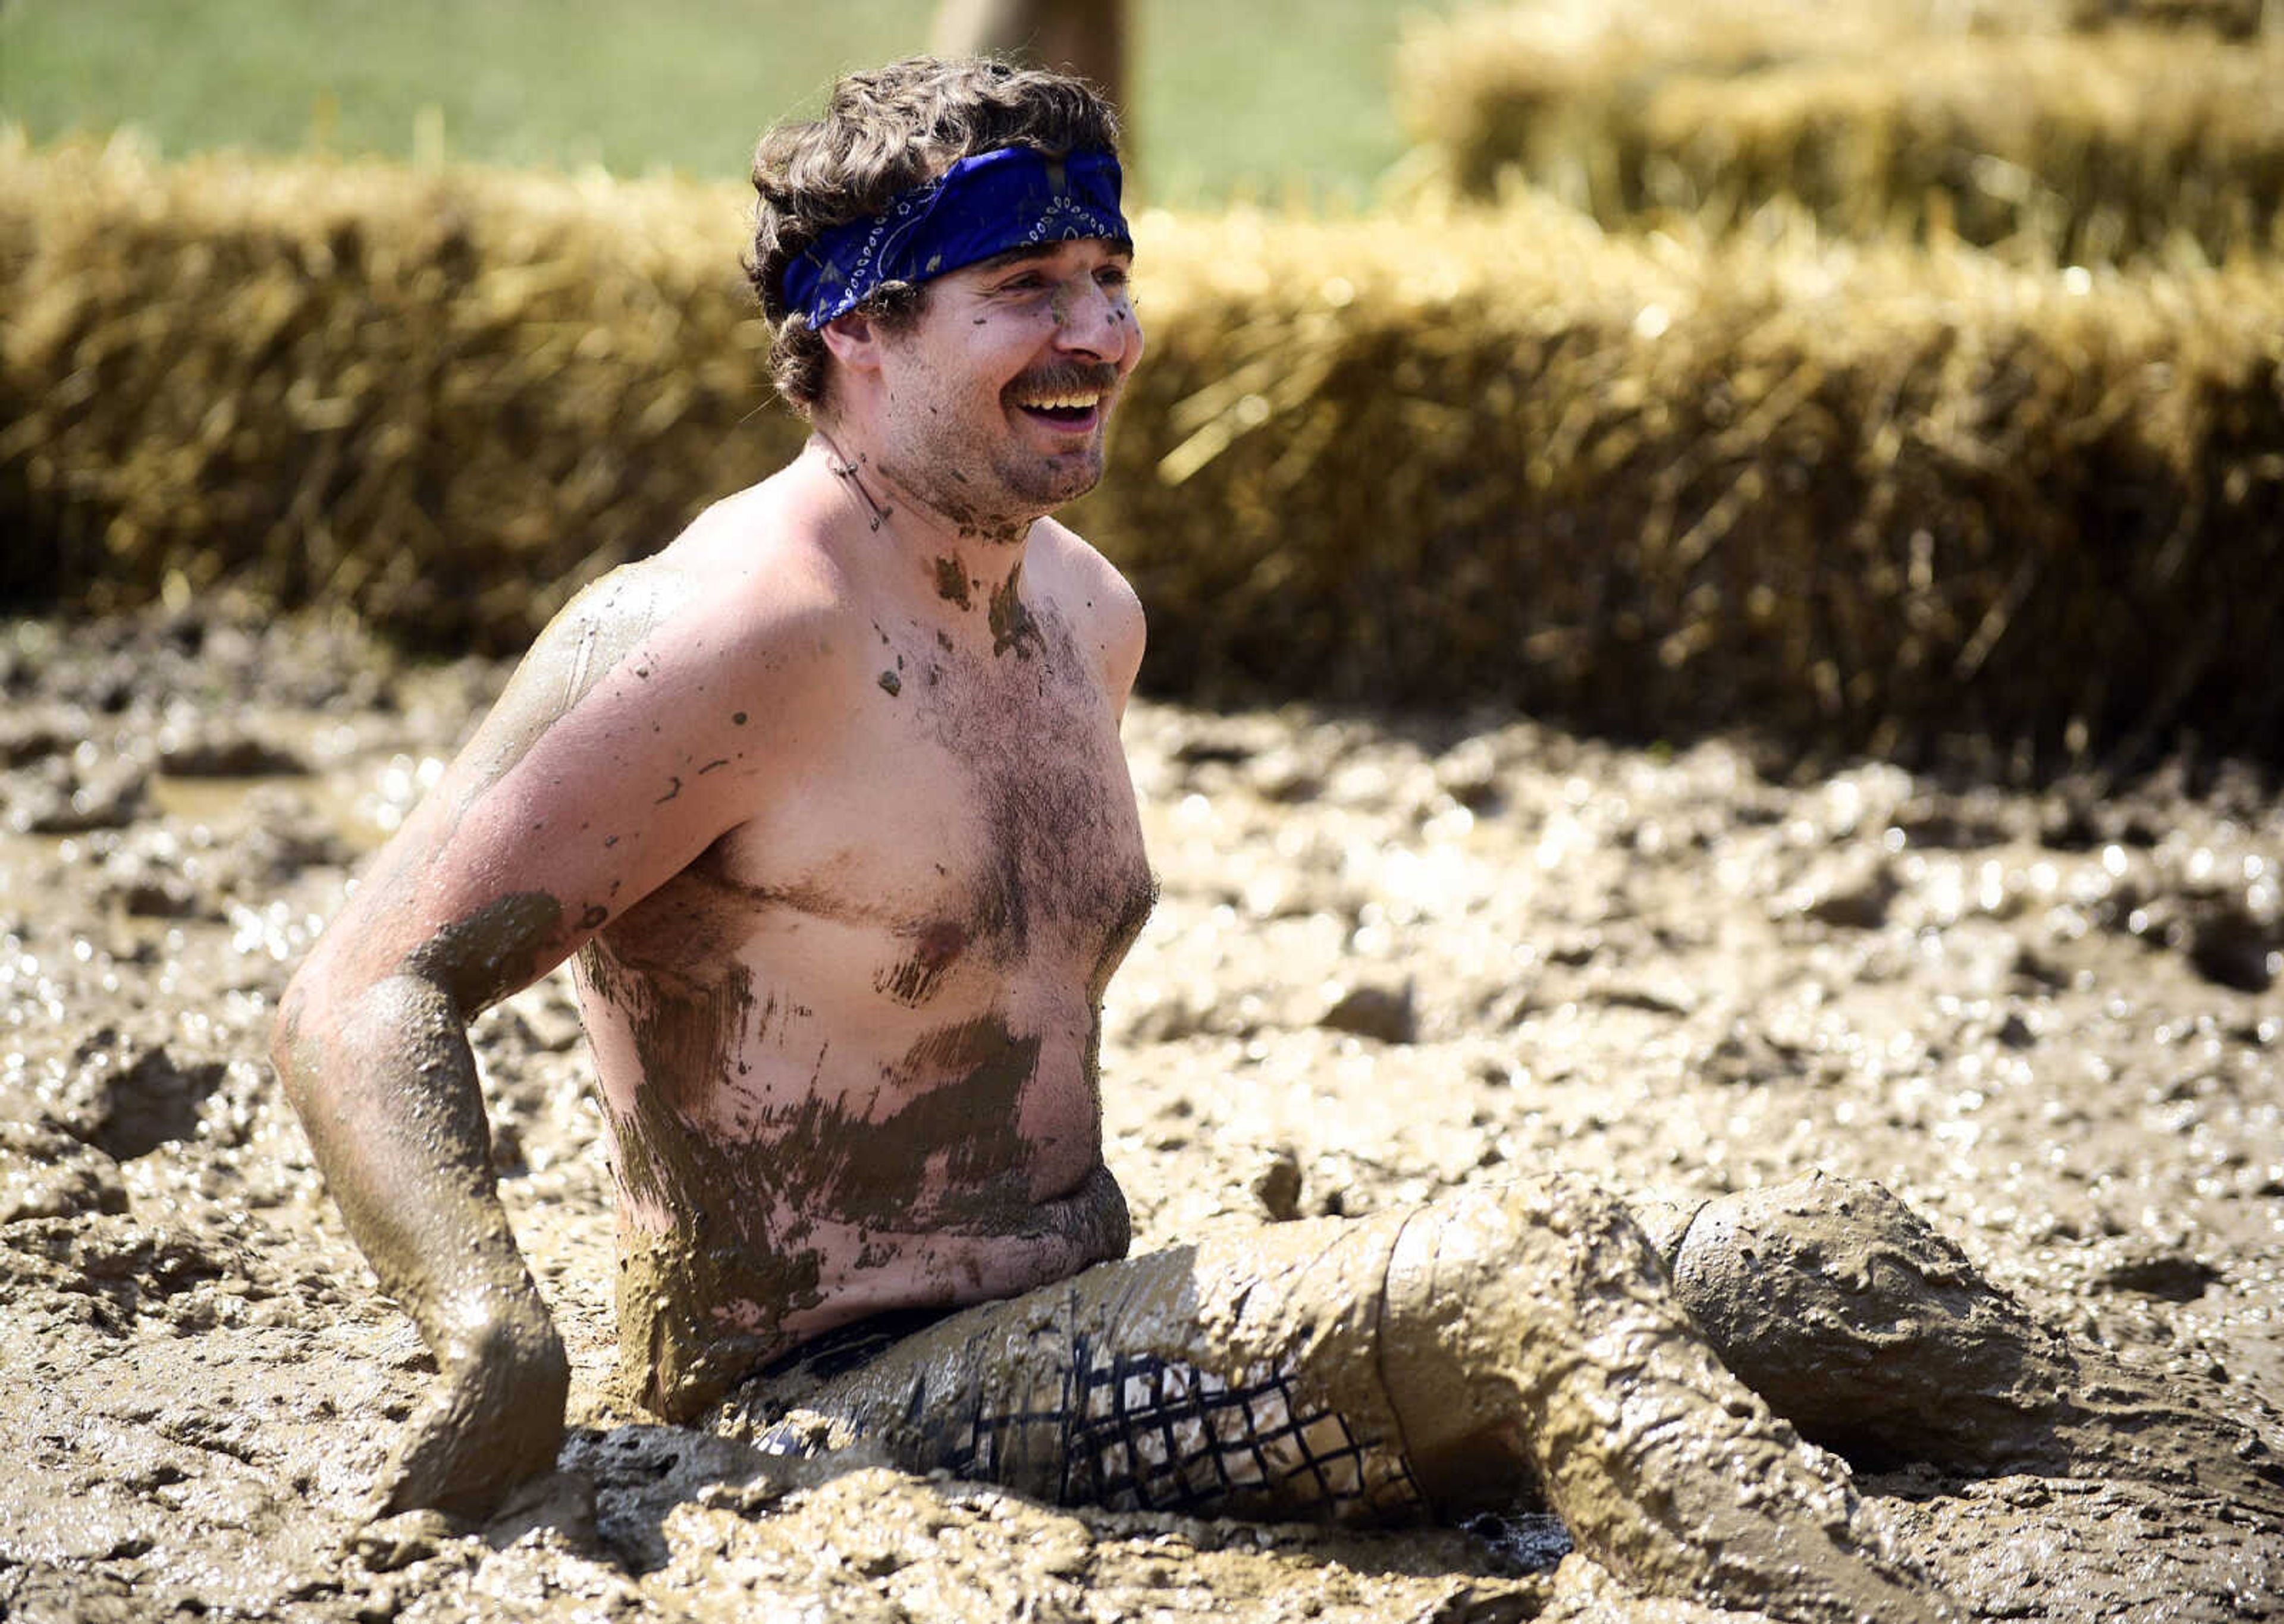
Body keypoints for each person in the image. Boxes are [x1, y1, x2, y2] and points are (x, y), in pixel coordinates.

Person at [273, 56, 2276, 1623]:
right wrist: (491, 1324)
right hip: (828, 1400)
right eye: (1028, 290)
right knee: (1510, 1276)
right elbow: (366, 980)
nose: (1105, 334)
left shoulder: (1082, 610)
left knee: (1800, 1260)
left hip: (1077, 1325)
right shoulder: (728, 631)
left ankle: (2231, 1500)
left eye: (1112, 277)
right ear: (852, 336)